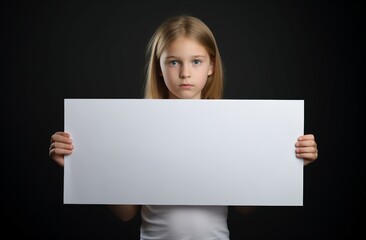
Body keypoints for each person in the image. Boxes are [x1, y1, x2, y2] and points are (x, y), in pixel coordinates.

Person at [49, 15, 318, 240]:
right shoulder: (137, 126)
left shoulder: (232, 125)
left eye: (196, 61)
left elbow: (244, 206)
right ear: (159, 66)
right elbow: (126, 213)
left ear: (211, 66)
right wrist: (79, 166)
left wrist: (288, 166)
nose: (185, 73)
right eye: (174, 61)